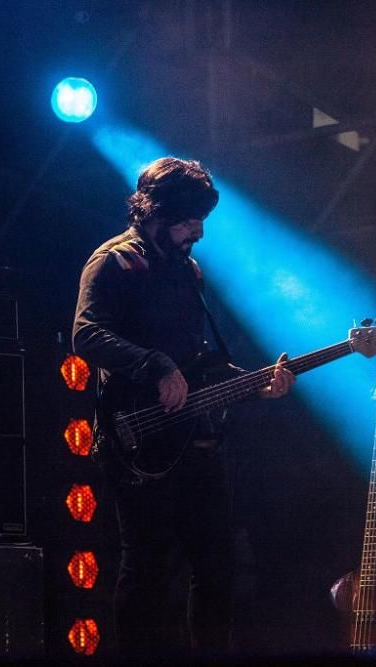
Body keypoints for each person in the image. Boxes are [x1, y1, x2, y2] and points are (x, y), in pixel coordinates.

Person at [72, 156, 294, 656]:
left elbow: (202, 364)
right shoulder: (114, 261)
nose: (199, 233)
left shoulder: (186, 271)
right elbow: (85, 334)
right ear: (157, 211)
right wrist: (154, 365)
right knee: (146, 566)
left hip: (194, 439)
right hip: (138, 436)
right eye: (191, 221)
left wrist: (257, 385)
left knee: (217, 566)